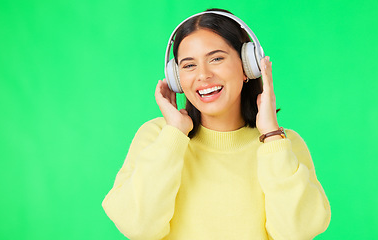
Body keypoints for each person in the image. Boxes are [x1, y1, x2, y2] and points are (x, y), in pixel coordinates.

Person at [102, 8, 331, 240]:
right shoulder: (158, 137)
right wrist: (174, 135)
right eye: (189, 65)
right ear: (176, 77)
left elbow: (297, 233)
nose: (203, 75)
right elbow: (138, 228)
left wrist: (271, 135)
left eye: (216, 58)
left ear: (247, 66)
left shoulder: (283, 144)